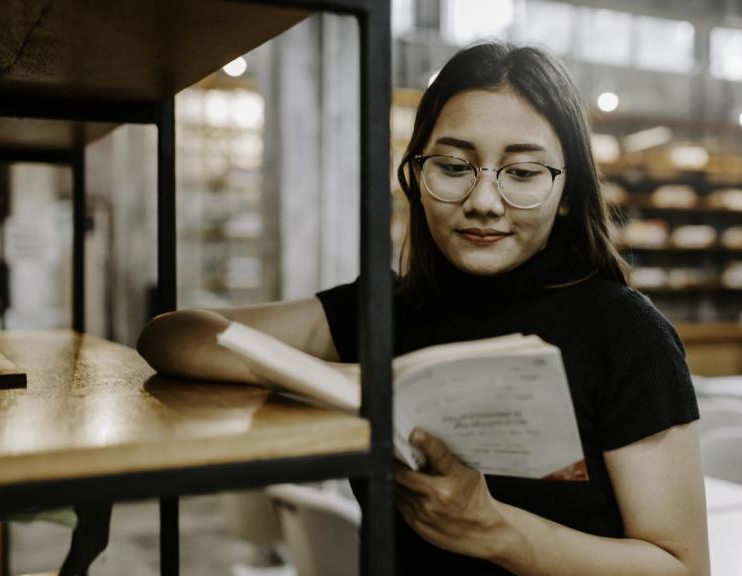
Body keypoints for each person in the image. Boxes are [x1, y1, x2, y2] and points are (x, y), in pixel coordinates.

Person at [138, 42, 708, 576]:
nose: (484, 202)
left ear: (567, 193)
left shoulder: (625, 332)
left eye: (522, 173)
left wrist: (497, 531)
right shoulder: (383, 310)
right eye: (454, 167)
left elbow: (682, 566)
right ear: (415, 175)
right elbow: (171, 337)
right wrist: (360, 384)